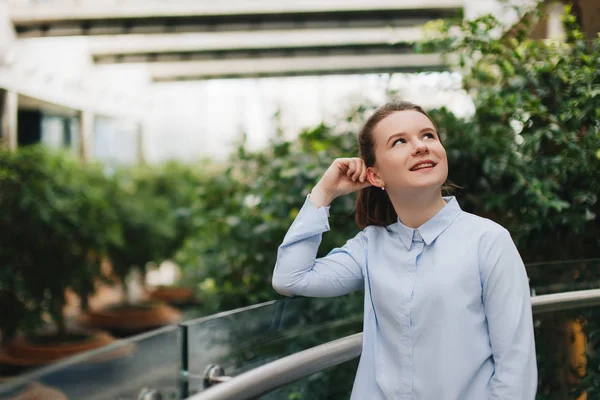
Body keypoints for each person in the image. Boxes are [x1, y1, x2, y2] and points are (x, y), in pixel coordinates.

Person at [272, 100, 537, 399]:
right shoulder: (370, 246)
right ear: (375, 176)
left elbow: (515, 370)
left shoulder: (489, 241)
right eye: (400, 141)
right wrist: (324, 192)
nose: (421, 146)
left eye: (428, 136)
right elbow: (290, 278)